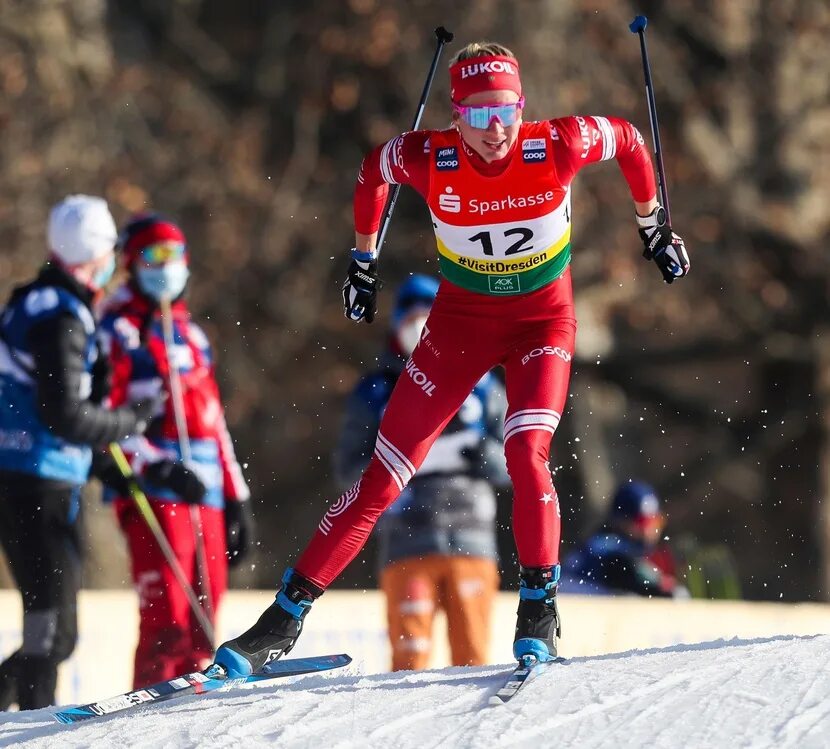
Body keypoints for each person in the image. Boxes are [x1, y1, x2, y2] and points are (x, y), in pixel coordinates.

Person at [215, 39, 690, 676]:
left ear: (522, 108)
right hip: (461, 327)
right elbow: (370, 172)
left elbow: (632, 140)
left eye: (505, 113)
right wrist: (363, 259)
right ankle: (281, 621)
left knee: (525, 451)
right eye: (476, 116)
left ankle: (539, 611)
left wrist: (653, 223)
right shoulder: (427, 155)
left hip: (540, 325)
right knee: (383, 476)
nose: (494, 131)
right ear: (453, 114)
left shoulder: (558, 143)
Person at [0, 195, 158, 710]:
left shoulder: (40, 301)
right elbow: (63, 412)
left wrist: (100, 464)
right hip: (37, 482)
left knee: (52, 632)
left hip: (35, 476)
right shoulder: (61, 315)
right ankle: (31, 733)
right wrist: (130, 422)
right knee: (53, 635)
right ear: (96, 254)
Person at [96, 214, 254, 688]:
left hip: (203, 486)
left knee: (205, 615)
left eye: (174, 255)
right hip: (155, 486)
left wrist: (237, 498)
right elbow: (105, 417)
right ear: (131, 263)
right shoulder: (119, 329)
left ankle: (196, 707)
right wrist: (156, 464)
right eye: (152, 256)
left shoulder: (193, 335)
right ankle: (152, 706)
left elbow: (215, 424)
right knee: (168, 615)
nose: (165, 266)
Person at [333, 274, 510, 670]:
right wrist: (396, 468)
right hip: (406, 540)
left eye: (428, 316)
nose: (419, 326)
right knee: (409, 661)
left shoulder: (482, 382)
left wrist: (479, 453)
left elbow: (517, 462)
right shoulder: (376, 390)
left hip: (472, 539)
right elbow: (348, 469)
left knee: (474, 659)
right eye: (410, 316)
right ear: (396, 324)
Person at [562, 480, 687, 597]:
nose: (651, 530)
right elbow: (636, 573)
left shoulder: (600, 544)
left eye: (656, 521)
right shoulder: (607, 549)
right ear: (621, 521)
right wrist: (667, 590)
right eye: (643, 522)